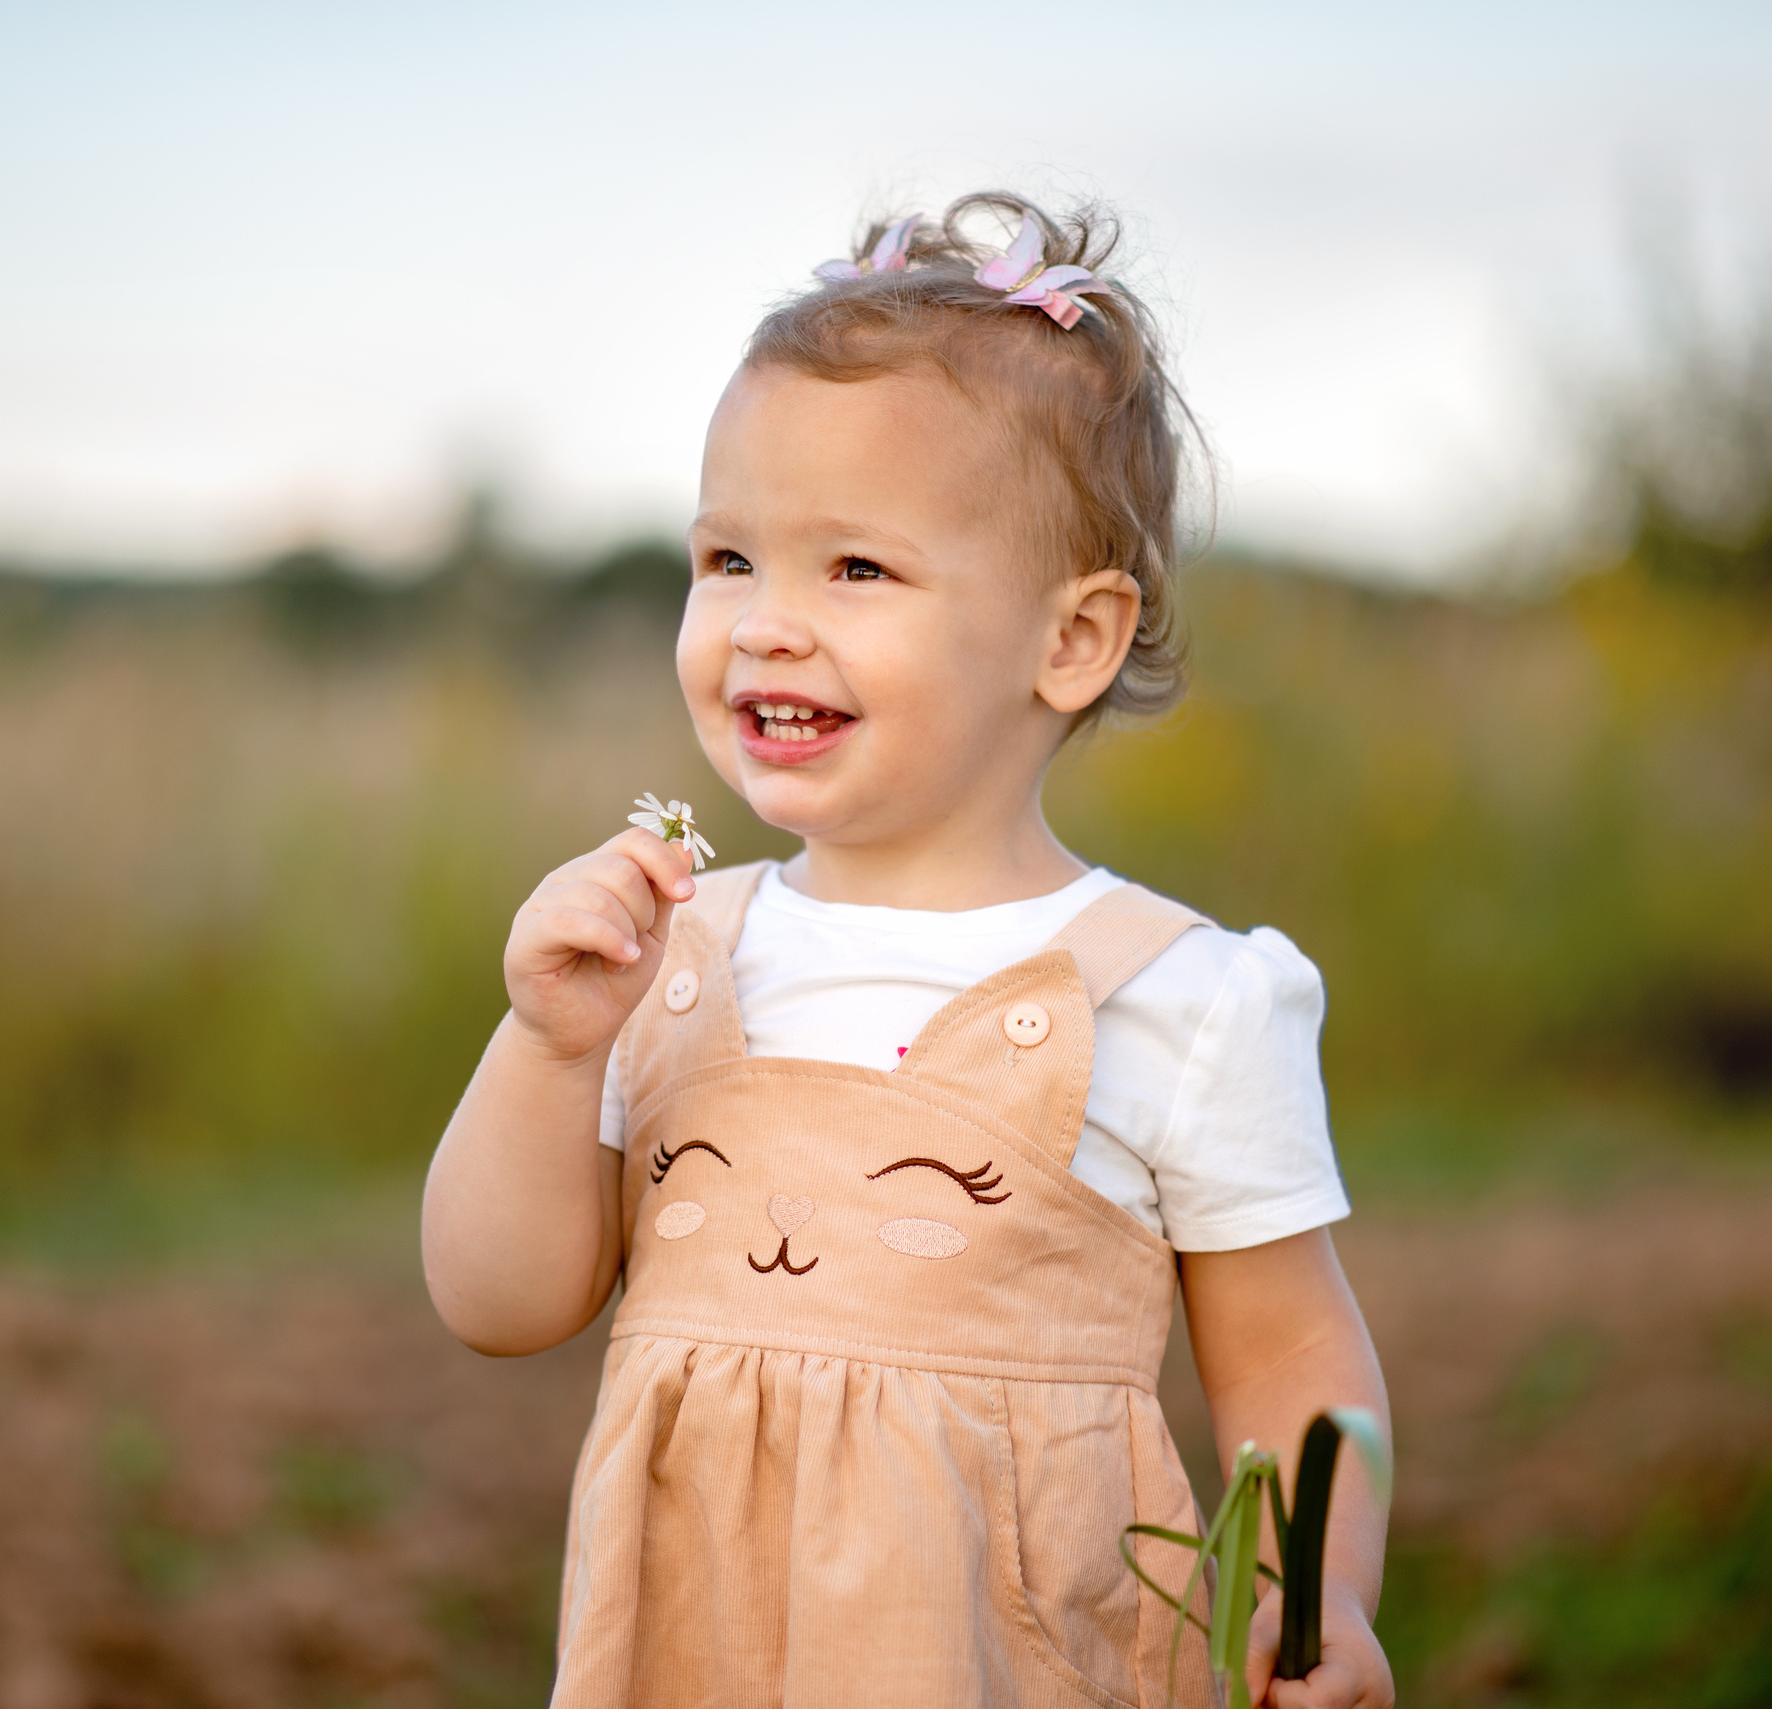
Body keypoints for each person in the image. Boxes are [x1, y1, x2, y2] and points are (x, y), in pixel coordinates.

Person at [421, 192, 1392, 1709]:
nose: (765, 625)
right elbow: (499, 1299)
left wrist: (1312, 1591)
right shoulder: (676, 956)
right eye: (728, 557)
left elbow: (1289, 1357)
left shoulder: (1174, 996)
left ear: (1070, 639)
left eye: (854, 571)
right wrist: (547, 1049)